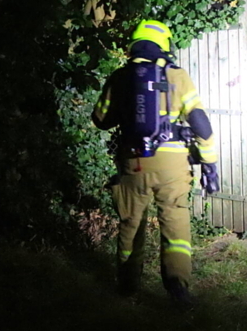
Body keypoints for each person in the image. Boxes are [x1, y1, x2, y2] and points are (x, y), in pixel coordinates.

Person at [91, 20, 219, 305]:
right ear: (164, 45)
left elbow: (100, 120)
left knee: (130, 222)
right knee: (175, 219)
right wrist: (209, 162)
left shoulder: (120, 77)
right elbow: (199, 121)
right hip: (172, 164)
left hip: (133, 162)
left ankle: (126, 285)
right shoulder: (177, 76)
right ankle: (178, 286)